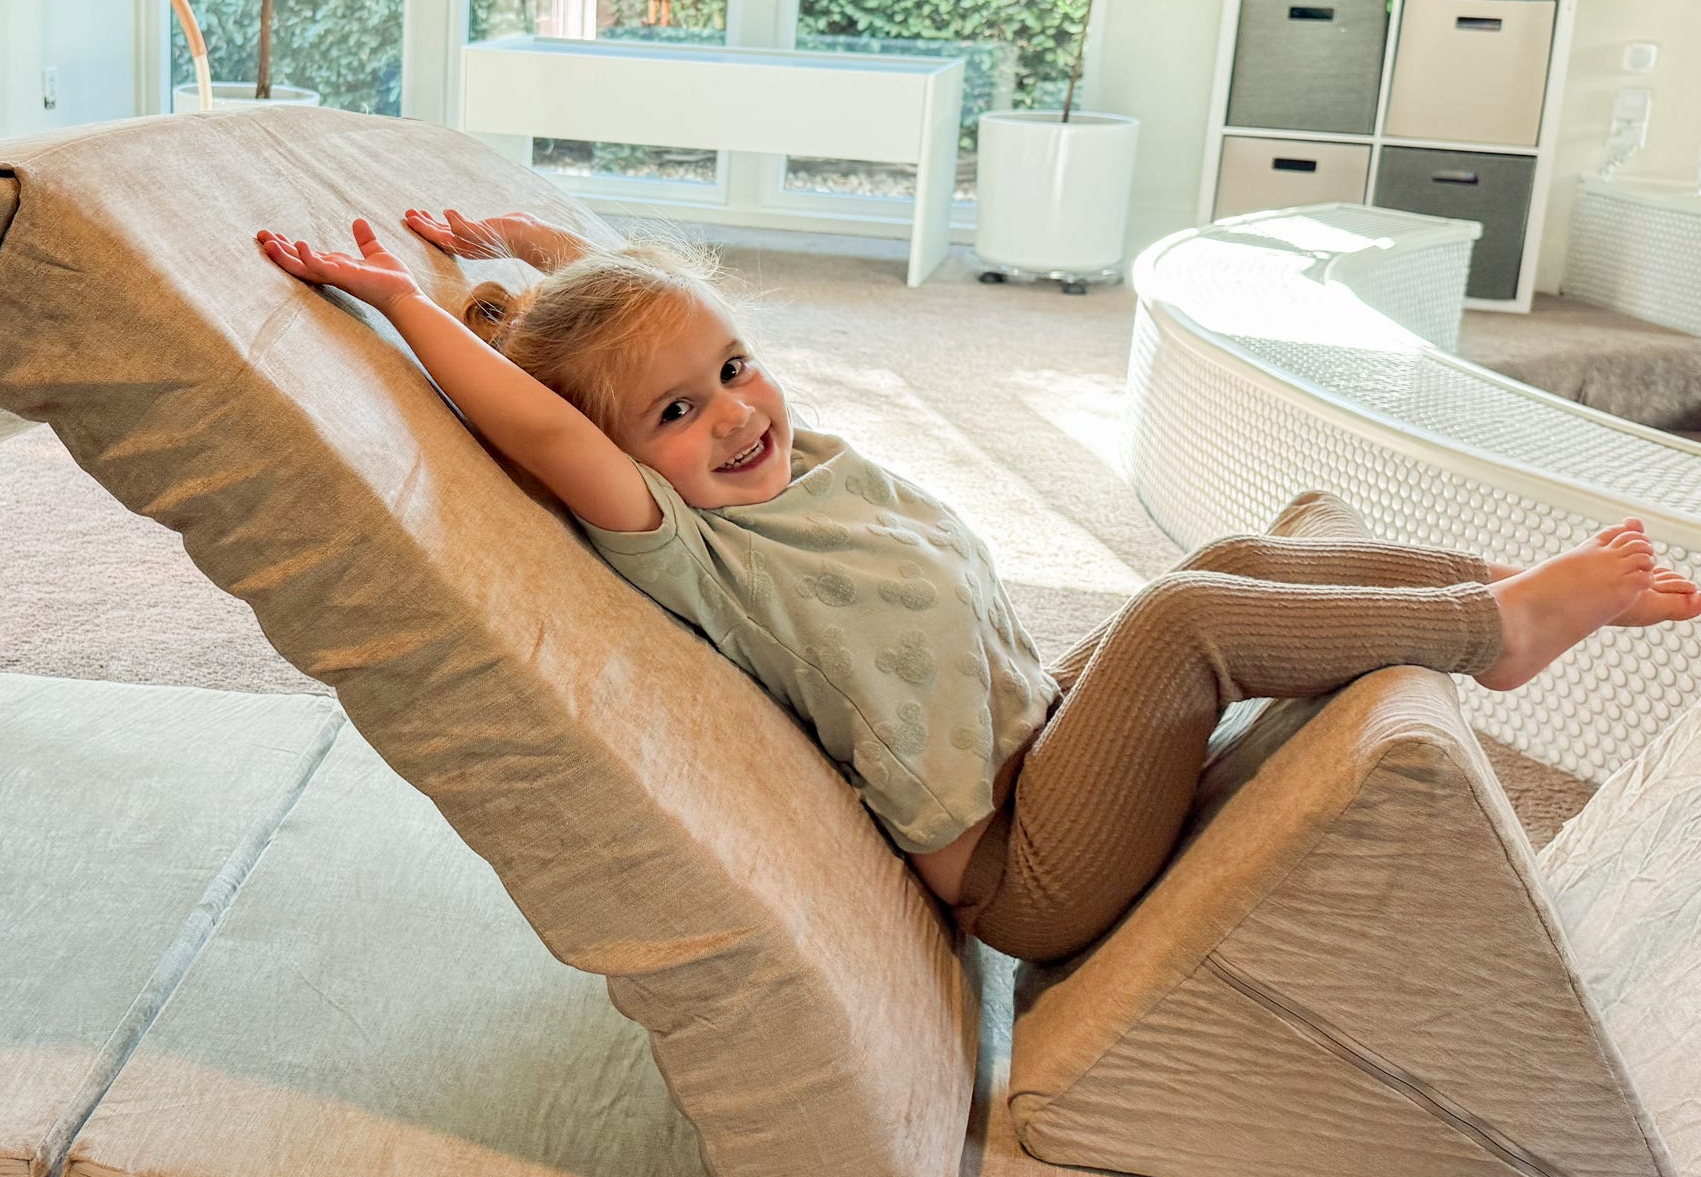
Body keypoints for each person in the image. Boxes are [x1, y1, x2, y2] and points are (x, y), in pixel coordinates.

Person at [255, 206, 1700, 962]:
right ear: (630, 463)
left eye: (736, 370)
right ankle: (1496, 629)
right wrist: (407, 305)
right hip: (1025, 869)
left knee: (1221, 562)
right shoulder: (695, 543)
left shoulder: (794, 461)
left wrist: (534, 249)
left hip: (1043, 738)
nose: (736, 416)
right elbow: (550, 427)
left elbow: (652, 329)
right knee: (1185, 618)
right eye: (679, 415)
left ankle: (1489, 584)